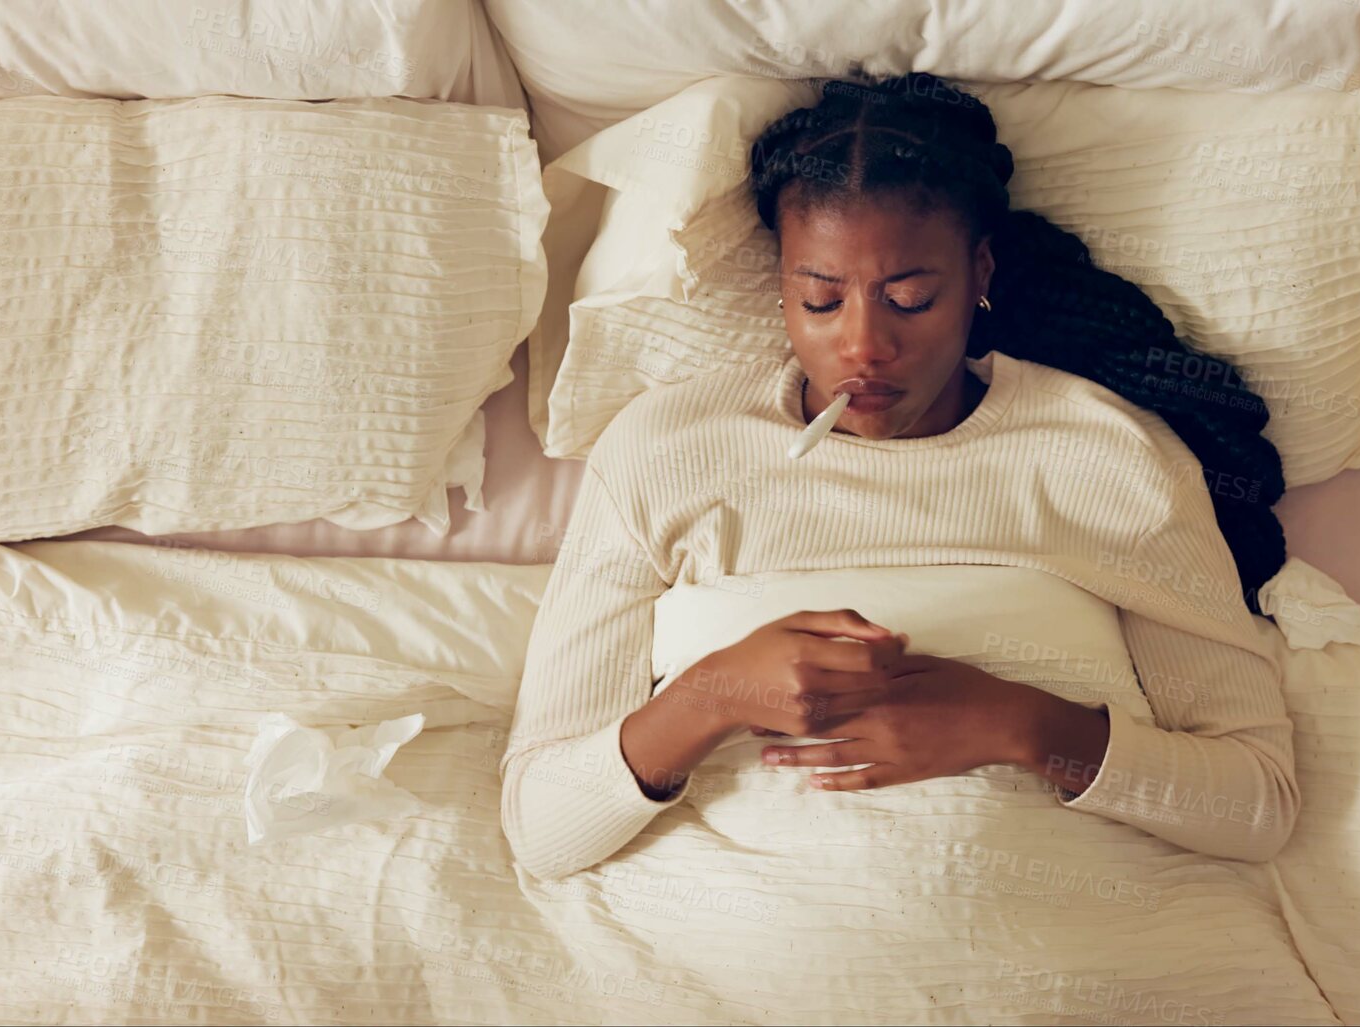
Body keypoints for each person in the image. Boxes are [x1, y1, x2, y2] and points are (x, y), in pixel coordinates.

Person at [501, 72, 1297, 881]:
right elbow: (540, 827)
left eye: (909, 299)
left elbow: (1257, 804)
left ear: (979, 275)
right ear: (779, 287)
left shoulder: (1107, 455)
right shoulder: (664, 450)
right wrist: (710, 695)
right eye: (819, 301)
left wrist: (1023, 724)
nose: (863, 346)